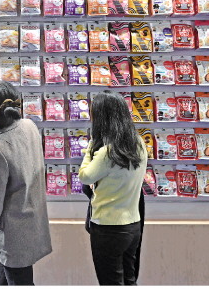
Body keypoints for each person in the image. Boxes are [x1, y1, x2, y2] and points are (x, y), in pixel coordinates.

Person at [0, 81, 52, 286]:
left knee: (20, 281)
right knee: (1, 280)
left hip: (13, 235)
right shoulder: (29, 126)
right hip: (33, 223)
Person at [79, 91, 148, 286]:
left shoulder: (107, 152)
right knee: (129, 280)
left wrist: (91, 145)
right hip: (133, 225)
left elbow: (85, 176)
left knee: (110, 282)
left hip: (108, 228)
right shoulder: (139, 144)